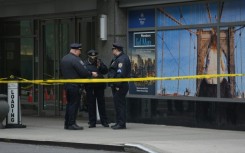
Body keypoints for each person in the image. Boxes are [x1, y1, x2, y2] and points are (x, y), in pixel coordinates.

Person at [60, 43, 98, 130]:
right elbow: (83, 72)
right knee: (74, 104)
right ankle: (72, 124)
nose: (80, 53)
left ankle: (67, 123)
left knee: (69, 104)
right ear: (76, 50)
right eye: (79, 51)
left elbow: (61, 72)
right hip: (75, 86)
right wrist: (91, 73)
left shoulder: (64, 58)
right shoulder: (75, 59)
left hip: (67, 85)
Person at [108, 43, 131, 130]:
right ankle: (118, 122)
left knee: (120, 105)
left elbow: (120, 74)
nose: (112, 51)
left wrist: (117, 85)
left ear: (117, 49)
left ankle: (121, 123)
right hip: (116, 85)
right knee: (117, 104)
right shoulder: (117, 58)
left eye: (113, 49)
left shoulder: (122, 59)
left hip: (120, 85)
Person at [84, 49, 109, 128]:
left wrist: (100, 66)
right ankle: (92, 122)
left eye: (95, 56)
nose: (93, 58)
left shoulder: (99, 62)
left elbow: (105, 71)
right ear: (89, 56)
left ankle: (104, 121)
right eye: (92, 56)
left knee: (101, 103)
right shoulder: (85, 63)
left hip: (99, 86)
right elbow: (83, 73)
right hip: (90, 86)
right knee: (91, 104)